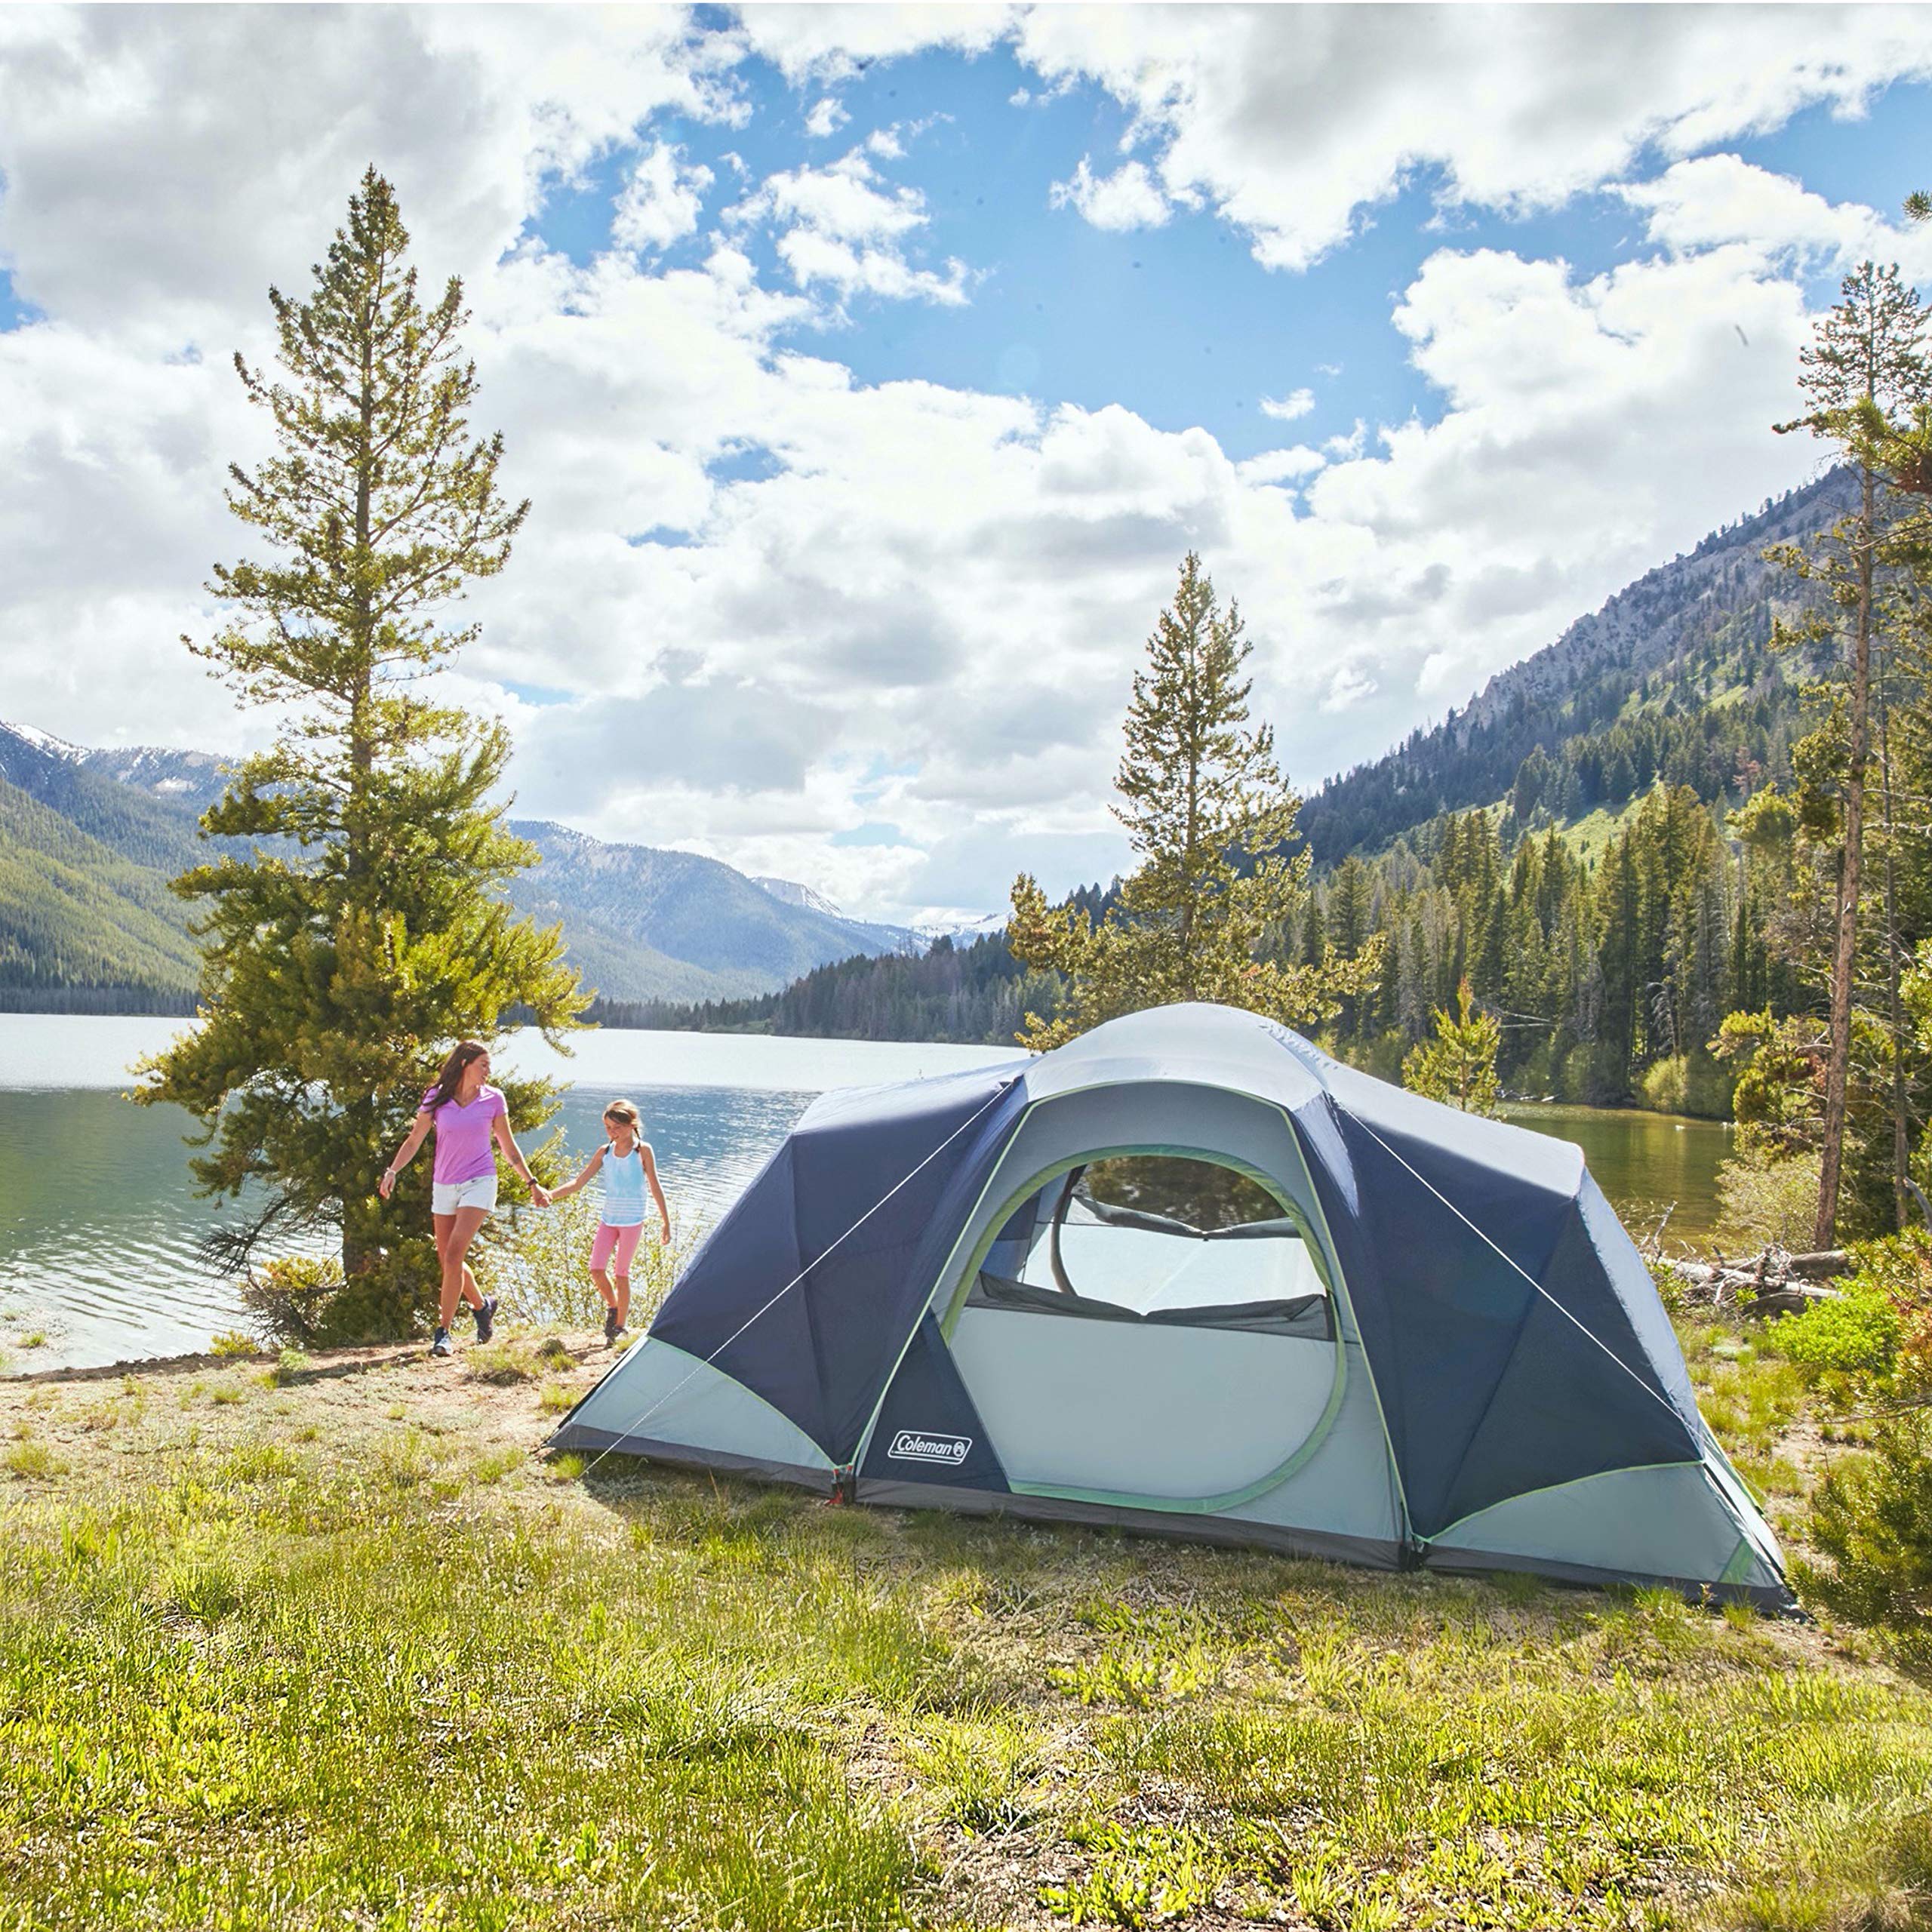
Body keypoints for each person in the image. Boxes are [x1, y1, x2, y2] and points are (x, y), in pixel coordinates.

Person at [380, 1040, 549, 1358]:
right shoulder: (436, 1096)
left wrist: (532, 1184)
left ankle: (443, 1332)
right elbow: (415, 1138)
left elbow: (508, 1148)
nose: (489, 1071)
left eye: (490, 1066)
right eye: (483, 1064)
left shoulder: (493, 1099)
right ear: (464, 1064)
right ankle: (482, 1306)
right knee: (447, 1260)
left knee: (455, 1253)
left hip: (480, 1182)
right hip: (444, 1184)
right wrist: (392, 1170)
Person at [548, 1098, 671, 1346]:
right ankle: (613, 1307)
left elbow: (655, 1186)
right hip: (609, 1220)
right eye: (608, 1128)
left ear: (631, 1125)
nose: (612, 1133)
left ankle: (620, 1327)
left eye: (617, 1128)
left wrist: (666, 1221)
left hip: (633, 1221)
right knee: (596, 1269)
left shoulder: (642, 1151)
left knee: (621, 1273)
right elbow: (578, 1183)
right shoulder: (604, 1152)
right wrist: (550, 1195)